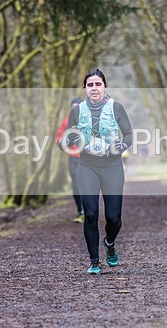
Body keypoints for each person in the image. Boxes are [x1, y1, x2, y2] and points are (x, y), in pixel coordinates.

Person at [61, 69, 133, 274]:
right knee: (90, 214)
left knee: (113, 218)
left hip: (112, 166)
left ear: (104, 87)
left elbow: (128, 135)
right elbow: (67, 137)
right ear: (85, 88)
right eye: (90, 85)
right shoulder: (77, 110)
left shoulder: (116, 107)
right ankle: (94, 261)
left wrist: (121, 147)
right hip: (87, 166)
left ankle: (109, 243)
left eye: (97, 84)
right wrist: (68, 141)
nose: (94, 88)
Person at [55, 98, 84, 222]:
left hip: (88, 157)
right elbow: (59, 138)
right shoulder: (66, 122)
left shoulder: (89, 120)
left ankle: (90, 211)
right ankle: (80, 211)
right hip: (73, 158)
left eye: (77, 106)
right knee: (76, 184)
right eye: (73, 106)